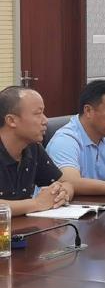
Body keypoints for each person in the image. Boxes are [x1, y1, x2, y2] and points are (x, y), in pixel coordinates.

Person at [0, 87, 74, 216]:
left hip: (24, 227)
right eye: (38, 114)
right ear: (11, 120)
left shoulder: (32, 147)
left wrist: (62, 192)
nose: (45, 120)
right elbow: (39, 203)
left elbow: (65, 182)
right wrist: (37, 203)